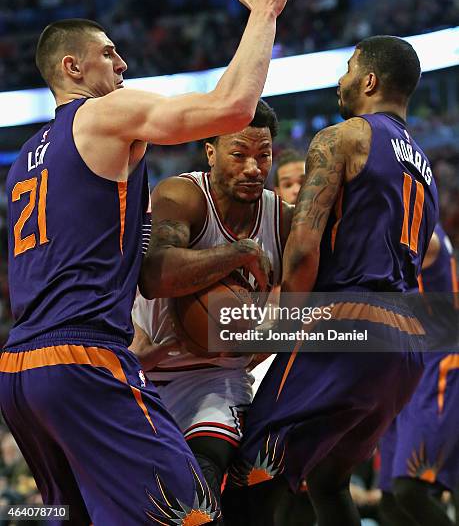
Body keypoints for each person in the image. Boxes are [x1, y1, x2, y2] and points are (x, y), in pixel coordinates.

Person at [0, 0, 298, 525]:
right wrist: (265, 11)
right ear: (72, 66)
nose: (122, 64)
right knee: (191, 513)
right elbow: (231, 108)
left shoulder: (23, 160)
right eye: (109, 54)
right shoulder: (104, 111)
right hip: (83, 360)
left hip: (19, 372)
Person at [226, 35, 439, 526]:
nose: (340, 80)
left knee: (253, 466)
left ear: (368, 80)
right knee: (326, 480)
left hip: (350, 321)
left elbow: (302, 248)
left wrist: (285, 326)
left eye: (347, 69)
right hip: (408, 344)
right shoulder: (424, 166)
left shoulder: (342, 137)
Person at [131, 99, 293, 513]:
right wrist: (238, 253)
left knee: (203, 485)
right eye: (239, 155)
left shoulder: (282, 218)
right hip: (145, 367)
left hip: (215, 378)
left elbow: (302, 311)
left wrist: (260, 339)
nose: (254, 168)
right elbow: (155, 276)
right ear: (210, 152)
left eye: (264, 155)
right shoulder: (181, 194)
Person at [379, 223, 459, 526]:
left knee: (411, 490)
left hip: (436, 364)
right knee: (389, 501)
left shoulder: (425, 234)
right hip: (399, 371)